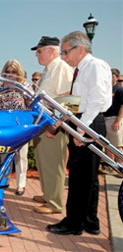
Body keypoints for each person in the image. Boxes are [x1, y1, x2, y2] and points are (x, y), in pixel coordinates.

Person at [47, 31, 112, 236]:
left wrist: (82, 128)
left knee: (79, 176)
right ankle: (90, 221)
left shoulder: (94, 66)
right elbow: (82, 99)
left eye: (65, 52)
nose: (64, 57)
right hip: (85, 120)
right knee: (88, 177)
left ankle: (73, 223)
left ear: (80, 49)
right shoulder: (83, 69)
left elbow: (98, 100)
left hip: (89, 122)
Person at [30, 36, 73, 214]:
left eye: (39, 51)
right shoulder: (49, 69)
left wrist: (54, 125)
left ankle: (54, 202)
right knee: (44, 161)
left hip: (51, 124)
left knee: (53, 163)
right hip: (42, 122)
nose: (37, 55)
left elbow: (69, 97)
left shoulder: (61, 67)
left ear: (51, 51)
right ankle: (48, 193)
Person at [0, 59, 29, 196]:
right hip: (4, 124)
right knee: (4, 153)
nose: (10, 74)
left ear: (18, 72)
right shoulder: (0, 86)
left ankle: (21, 184)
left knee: (21, 155)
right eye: (7, 72)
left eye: (13, 72)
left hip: (21, 124)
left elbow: (30, 103)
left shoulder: (24, 86)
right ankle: (5, 180)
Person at [100, 68, 123, 175]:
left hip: (114, 119)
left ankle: (121, 167)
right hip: (104, 119)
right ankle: (112, 167)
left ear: (117, 78)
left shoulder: (119, 90)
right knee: (107, 144)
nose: (110, 78)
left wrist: (118, 121)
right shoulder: (105, 89)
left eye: (113, 76)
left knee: (117, 145)